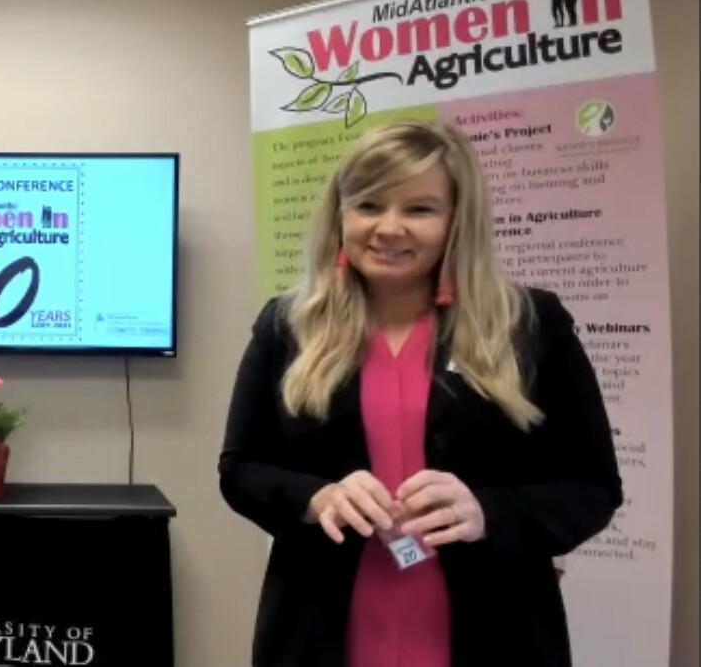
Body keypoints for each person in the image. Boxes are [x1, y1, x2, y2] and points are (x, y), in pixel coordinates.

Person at [218, 121, 621, 667]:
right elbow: (241, 468)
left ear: (458, 219)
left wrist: (489, 512)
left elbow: (592, 486)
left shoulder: (530, 325)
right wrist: (316, 499)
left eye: (419, 209)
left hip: (496, 630)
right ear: (340, 215)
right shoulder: (287, 326)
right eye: (368, 205)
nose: (388, 228)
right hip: (320, 629)